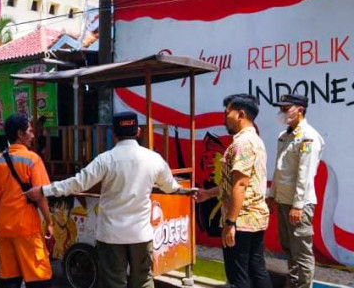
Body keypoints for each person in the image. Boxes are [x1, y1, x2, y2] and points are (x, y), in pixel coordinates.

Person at [25, 111, 195, 288]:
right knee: (143, 281)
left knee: (114, 283)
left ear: (113, 133)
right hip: (141, 235)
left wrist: (45, 190)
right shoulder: (154, 159)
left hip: (111, 236)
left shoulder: (105, 160)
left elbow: (77, 184)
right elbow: (171, 187)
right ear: (138, 131)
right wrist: (190, 191)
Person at [197, 94, 272, 288]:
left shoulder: (242, 144)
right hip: (253, 219)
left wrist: (230, 223)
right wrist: (209, 193)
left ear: (240, 114)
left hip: (242, 220)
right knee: (256, 269)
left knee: (237, 274)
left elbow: (240, 184)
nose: (224, 116)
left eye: (227, 112)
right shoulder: (254, 140)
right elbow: (236, 183)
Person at [0, 113, 53, 288]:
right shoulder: (32, 159)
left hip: (4, 229)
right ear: (20, 134)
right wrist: (50, 221)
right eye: (30, 131)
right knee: (38, 278)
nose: (32, 134)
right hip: (27, 229)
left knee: (9, 280)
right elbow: (40, 195)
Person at [267, 94, 324, 288]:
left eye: (286, 108)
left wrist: (298, 205)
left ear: (299, 109)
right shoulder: (284, 136)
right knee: (288, 249)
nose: (282, 112)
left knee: (302, 252)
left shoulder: (309, 137)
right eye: (281, 108)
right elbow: (279, 169)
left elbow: (305, 174)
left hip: (299, 205)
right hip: (283, 201)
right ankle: (292, 284)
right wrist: (271, 195)